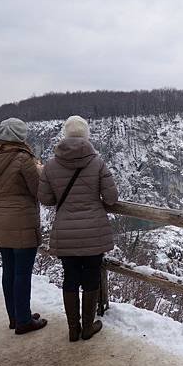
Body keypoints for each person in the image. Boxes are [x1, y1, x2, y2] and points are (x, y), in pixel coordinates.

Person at [38, 115, 118, 341]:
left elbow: (45, 198)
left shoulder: (51, 165)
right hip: (93, 231)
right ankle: (88, 327)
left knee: (70, 277)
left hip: (65, 232)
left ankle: (73, 328)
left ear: (65, 134)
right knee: (91, 276)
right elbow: (111, 197)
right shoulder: (97, 162)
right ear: (86, 136)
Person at [0, 118, 48, 334]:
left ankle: (15, 316)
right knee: (22, 272)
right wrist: (39, 169)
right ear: (19, 136)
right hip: (22, 219)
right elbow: (37, 190)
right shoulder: (22, 158)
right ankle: (24, 321)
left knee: (8, 270)